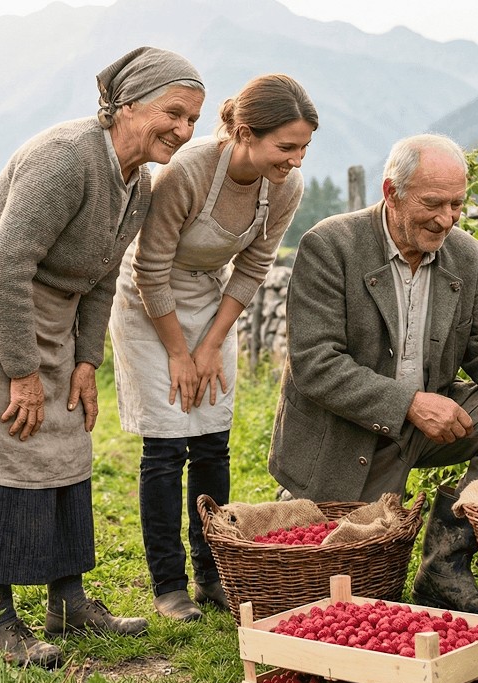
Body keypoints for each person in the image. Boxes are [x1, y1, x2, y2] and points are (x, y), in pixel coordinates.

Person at [0, 46, 205, 667]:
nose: (185, 131)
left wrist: (86, 363)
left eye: (193, 120)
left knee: (66, 436)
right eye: (174, 113)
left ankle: (68, 600)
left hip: (50, 307)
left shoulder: (136, 184)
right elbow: (6, 264)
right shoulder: (66, 158)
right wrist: (23, 371)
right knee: (1, 440)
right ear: (127, 105)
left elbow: (104, 277)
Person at [267, 133, 478, 615]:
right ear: (390, 192)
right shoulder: (330, 246)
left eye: (457, 203)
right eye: (433, 203)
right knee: (352, 596)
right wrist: (410, 404)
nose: (447, 218)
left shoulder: (467, 256)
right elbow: (317, 364)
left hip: (428, 420)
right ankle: (305, 500)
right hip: (347, 431)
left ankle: (444, 567)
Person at [109, 75, 317, 622]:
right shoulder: (190, 172)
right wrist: (180, 353)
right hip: (148, 302)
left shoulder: (285, 187)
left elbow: (251, 267)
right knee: (166, 446)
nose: (295, 160)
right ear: (245, 133)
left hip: (207, 297)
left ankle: (212, 574)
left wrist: (211, 345)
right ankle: (168, 584)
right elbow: (150, 267)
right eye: (286, 146)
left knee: (211, 440)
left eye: (303, 148)